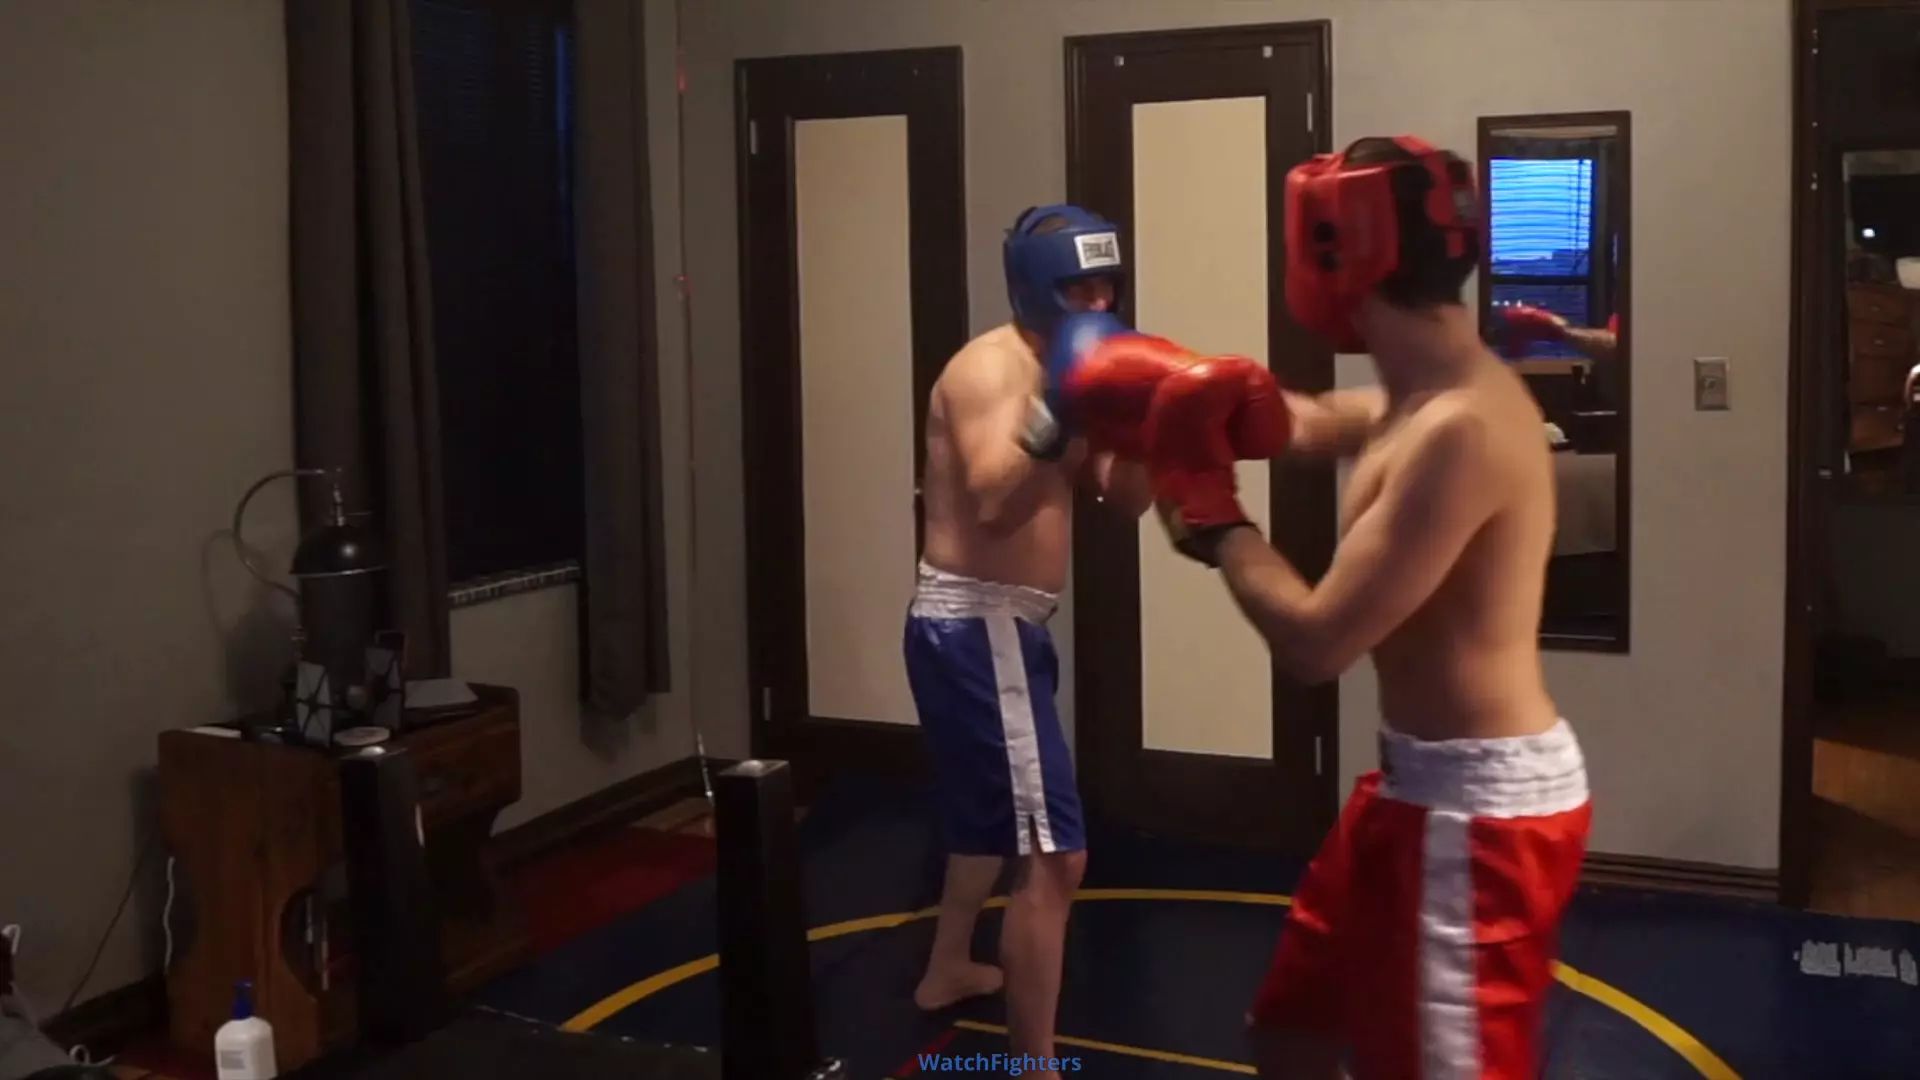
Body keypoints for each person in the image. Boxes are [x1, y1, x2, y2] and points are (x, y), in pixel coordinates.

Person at [1144, 137, 1593, 1079]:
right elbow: (1302, 422)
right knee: (1292, 1030)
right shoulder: (1416, 393)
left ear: (1331, 250)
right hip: (1411, 787)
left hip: (1476, 819)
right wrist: (1169, 389)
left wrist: (1214, 523)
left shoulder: (1460, 427)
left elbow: (1317, 643)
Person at [903, 205, 1170, 1076]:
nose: (1097, 302)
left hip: (998, 627)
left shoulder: (1077, 370)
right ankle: (1034, 1067)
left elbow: (1122, 500)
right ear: (1036, 287)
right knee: (1057, 856)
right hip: (976, 621)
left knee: (992, 820)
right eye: (1079, 288)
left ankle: (948, 967)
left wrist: (1149, 428)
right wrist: (1062, 404)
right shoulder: (989, 369)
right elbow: (992, 498)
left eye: (1106, 287)